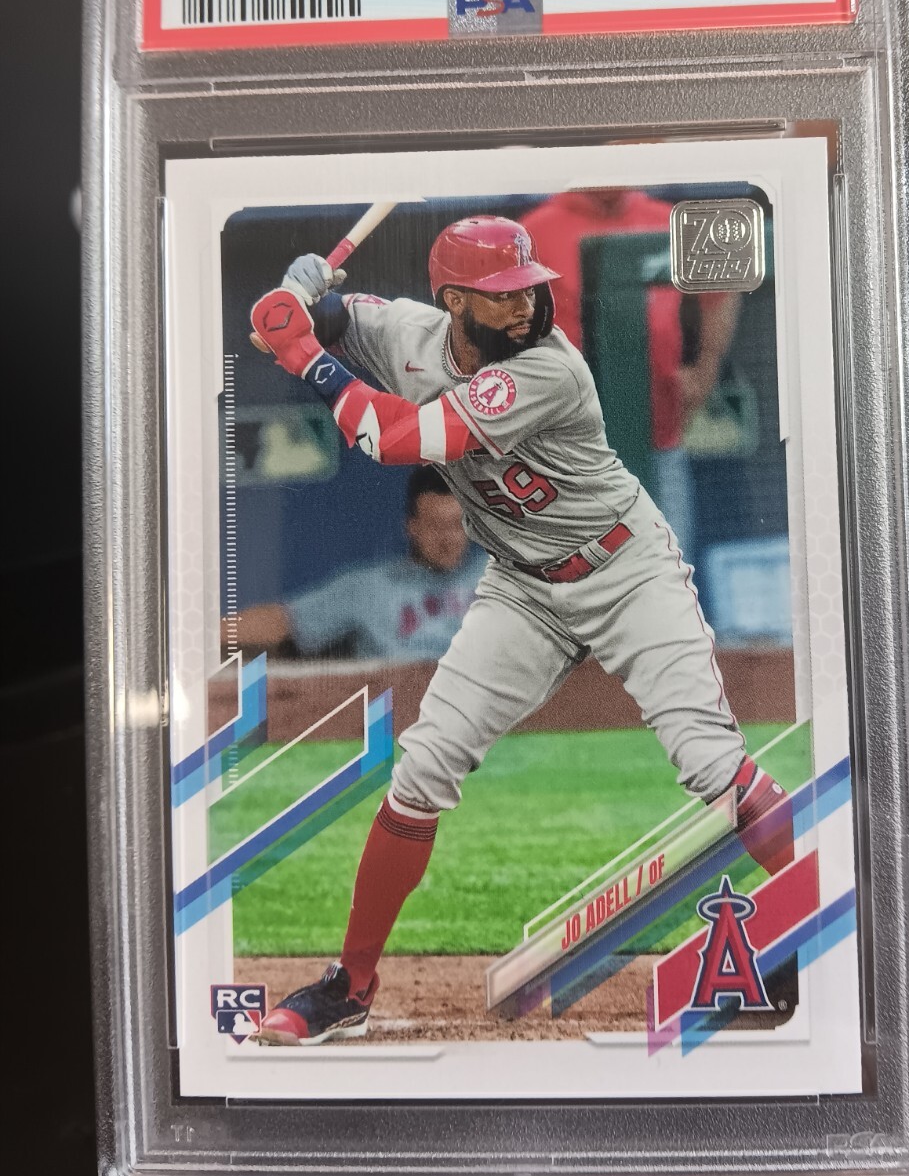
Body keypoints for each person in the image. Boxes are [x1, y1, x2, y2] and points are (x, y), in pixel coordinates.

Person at [246, 214, 792, 1045]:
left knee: (709, 761)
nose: (526, 305)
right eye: (501, 296)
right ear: (454, 301)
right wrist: (296, 297)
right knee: (423, 768)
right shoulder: (409, 335)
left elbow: (397, 437)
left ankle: (812, 918)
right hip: (522, 587)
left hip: (625, 570)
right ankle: (348, 986)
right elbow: (335, 317)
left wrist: (301, 355)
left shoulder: (548, 368)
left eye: (529, 289)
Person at [520, 188, 740, 562]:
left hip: (658, 441)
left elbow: (722, 287)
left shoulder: (667, 220)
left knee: (669, 571)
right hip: (569, 454)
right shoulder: (532, 231)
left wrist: (705, 367)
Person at [227, 466, 484, 664]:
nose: (447, 539)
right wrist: (206, 635)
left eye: (456, 525)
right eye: (436, 526)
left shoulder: (493, 575)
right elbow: (283, 622)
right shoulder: (370, 587)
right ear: (412, 527)